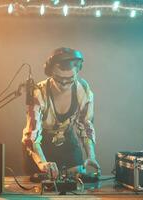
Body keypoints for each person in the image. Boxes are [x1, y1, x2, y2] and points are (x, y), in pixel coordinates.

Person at [22, 47, 101, 180]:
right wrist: (42, 163)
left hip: (68, 144)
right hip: (40, 147)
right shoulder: (39, 93)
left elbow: (86, 126)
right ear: (50, 72)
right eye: (58, 78)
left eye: (70, 78)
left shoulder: (83, 90)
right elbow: (32, 136)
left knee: (77, 184)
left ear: (77, 72)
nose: (64, 83)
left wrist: (91, 156)